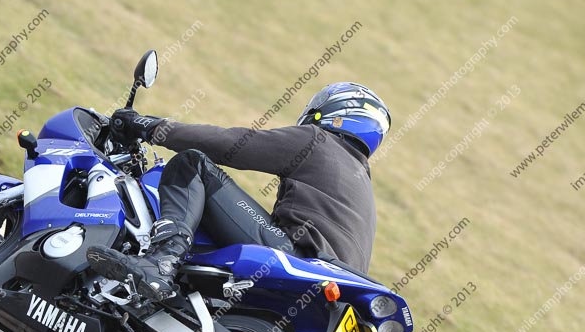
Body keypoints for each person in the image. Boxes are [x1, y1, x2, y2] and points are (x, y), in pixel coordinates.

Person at [86, 82, 391, 301]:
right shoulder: (361, 181)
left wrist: (151, 127)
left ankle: (160, 263)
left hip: (296, 258)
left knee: (193, 165)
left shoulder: (318, 142)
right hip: (328, 290)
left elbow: (232, 144)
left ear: (333, 110)